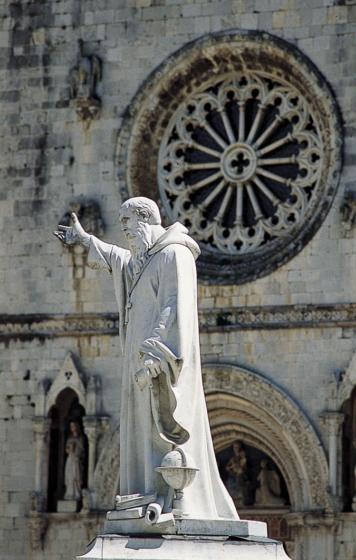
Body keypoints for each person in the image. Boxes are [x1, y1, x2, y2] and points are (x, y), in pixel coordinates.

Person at [54, 197, 238, 520]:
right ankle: (146, 493)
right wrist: (85, 240)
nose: (123, 230)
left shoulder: (174, 253)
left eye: (126, 222)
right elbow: (121, 260)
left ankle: (171, 497)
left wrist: (155, 354)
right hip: (139, 363)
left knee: (162, 430)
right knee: (141, 430)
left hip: (157, 364)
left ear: (145, 219)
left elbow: (173, 305)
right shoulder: (147, 259)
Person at [64, 421, 85, 501]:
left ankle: (77, 493)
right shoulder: (69, 438)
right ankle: (69, 493)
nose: (72, 428)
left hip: (77, 459)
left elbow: (82, 449)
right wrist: (70, 449)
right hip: (70, 458)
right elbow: (67, 449)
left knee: (76, 476)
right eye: (71, 426)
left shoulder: (80, 438)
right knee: (69, 476)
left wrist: (76, 454)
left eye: (73, 426)